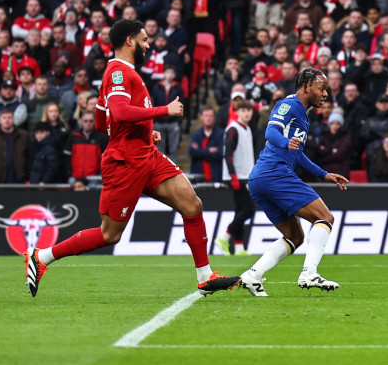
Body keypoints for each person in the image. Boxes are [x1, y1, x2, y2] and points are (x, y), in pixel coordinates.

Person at [24, 19, 239, 298]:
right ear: (129, 41)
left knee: (192, 204)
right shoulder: (117, 72)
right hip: (125, 162)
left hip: (146, 154)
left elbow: (104, 122)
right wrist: (165, 111)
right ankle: (42, 257)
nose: (148, 45)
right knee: (110, 235)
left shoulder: (126, 75)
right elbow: (122, 113)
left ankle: (205, 276)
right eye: (144, 39)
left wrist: (146, 132)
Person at [238, 68, 351, 297]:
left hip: (262, 179)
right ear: (307, 86)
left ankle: (253, 275)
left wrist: (323, 174)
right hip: (274, 173)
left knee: (295, 236)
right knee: (325, 217)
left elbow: (297, 154)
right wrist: (285, 141)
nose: (325, 94)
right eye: (322, 88)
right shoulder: (289, 105)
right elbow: (271, 132)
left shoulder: (304, 115)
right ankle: (309, 272)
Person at [216, 98, 259, 255]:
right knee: (249, 210)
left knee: (240, 211)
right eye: (243, 111)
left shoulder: (246, 129)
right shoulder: (233, 128)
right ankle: (223, 238)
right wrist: (233, 175)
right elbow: (228, 154)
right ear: (237, 113)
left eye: (249, 110)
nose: (246, 113)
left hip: (244, 175)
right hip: (236, 176)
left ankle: (239, 248)